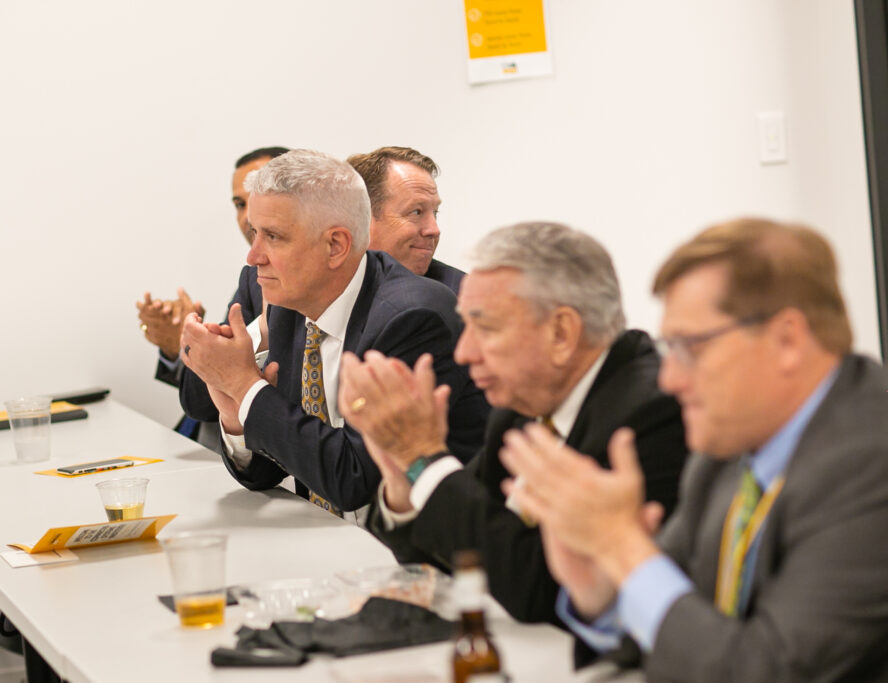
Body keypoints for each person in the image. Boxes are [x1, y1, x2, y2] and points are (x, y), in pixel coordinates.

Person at [502, 218, 888, 680]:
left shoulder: (871, 462)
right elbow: (679, 625)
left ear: (787, 340)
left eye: (690, 347)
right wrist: (602, 589)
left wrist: (622, 548)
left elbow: (765, 671)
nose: (669, 380)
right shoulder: (723, 454)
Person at [338, 222, 687, 622]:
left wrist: (424, 459)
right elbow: (457, 551)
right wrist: (402, 480)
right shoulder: (522, 405)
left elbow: (537, 591)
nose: (465, 352)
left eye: (484, 327)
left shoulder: (650, 413)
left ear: (561, 332)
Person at [178, 149, 489, 524]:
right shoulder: (287, 307)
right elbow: (268, 471)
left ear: (336, 246)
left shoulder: (411, 316)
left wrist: (245, 388)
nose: (253, 256)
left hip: (429, 555)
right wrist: (235, 416)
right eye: (256, 234)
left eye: (273, 237)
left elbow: (353, 479)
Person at [137, 147, 288, 445]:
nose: (247, 217)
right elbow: (210, 394)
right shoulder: (252, 279)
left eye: (260, 198)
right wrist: (184, 346)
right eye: (239, 204)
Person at [347, 146, 465, 293]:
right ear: (362, 219)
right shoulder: (318, 287)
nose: (434, 230)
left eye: (435, 213)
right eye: (416, 212)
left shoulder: (464, 301)